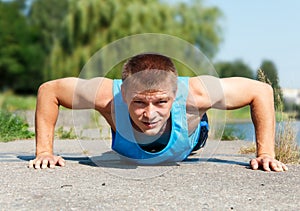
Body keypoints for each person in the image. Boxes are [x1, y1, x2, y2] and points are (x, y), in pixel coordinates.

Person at [29, 53, 288, 172]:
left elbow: (261, 91)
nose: (149, 114)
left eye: (161, 103)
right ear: (124, 94)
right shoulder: (108, 96)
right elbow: (49, 90)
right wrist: (44, 152)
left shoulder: (197, 93)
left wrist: (265, 154)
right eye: (139, 103)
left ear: (174, 96)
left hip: (191, 137)